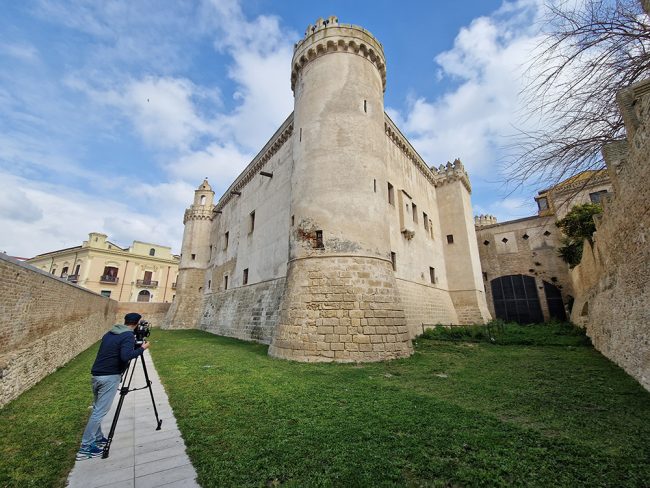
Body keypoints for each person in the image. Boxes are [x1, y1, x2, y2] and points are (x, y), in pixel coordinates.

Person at [76, 312, 150, 460]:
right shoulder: (127, 336)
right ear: (136, 324)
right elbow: (126, 356)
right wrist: (142, 348)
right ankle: (85, 447)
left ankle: (97, 438)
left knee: (97, 408)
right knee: (100, 411)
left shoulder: (111, 333)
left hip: (97, 374)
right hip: (109, 376)